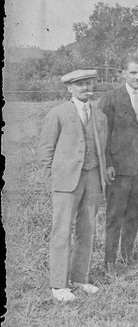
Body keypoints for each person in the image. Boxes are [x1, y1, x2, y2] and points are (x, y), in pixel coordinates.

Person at [38, 69, 108, 302]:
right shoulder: (58, 114)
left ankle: (80, 278)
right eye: (80, 85)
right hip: (66, 180)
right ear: (69, 88)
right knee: (62, 230)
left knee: (87, 228)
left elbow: (103, 147)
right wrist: (51, 180)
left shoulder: (99, 115)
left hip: (92, 178)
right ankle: (59, 284)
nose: (86, 88)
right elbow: (46, 151)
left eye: (89, 83)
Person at [100, 56, 138, 277]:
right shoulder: (111, 98)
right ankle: (109, 261)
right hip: (119, 167)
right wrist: (108, 163)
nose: (137, 77)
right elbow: (102, 133)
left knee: (134, 212)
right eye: (133, 73)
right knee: (115, 213)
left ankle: (126, 255)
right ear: (124, 74)